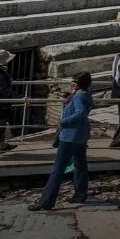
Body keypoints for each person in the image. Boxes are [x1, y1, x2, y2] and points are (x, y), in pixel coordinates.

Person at [31, 73, 93, 211]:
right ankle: (80, 194)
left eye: (75, 82)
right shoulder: (86, 94)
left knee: (58, 169)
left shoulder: (78, 96)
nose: (72, 84)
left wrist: (63, 122)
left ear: (80, 84)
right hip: (81, 136)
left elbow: (80, 112)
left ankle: (46, 202)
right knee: (80, 165)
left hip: (70, 136)